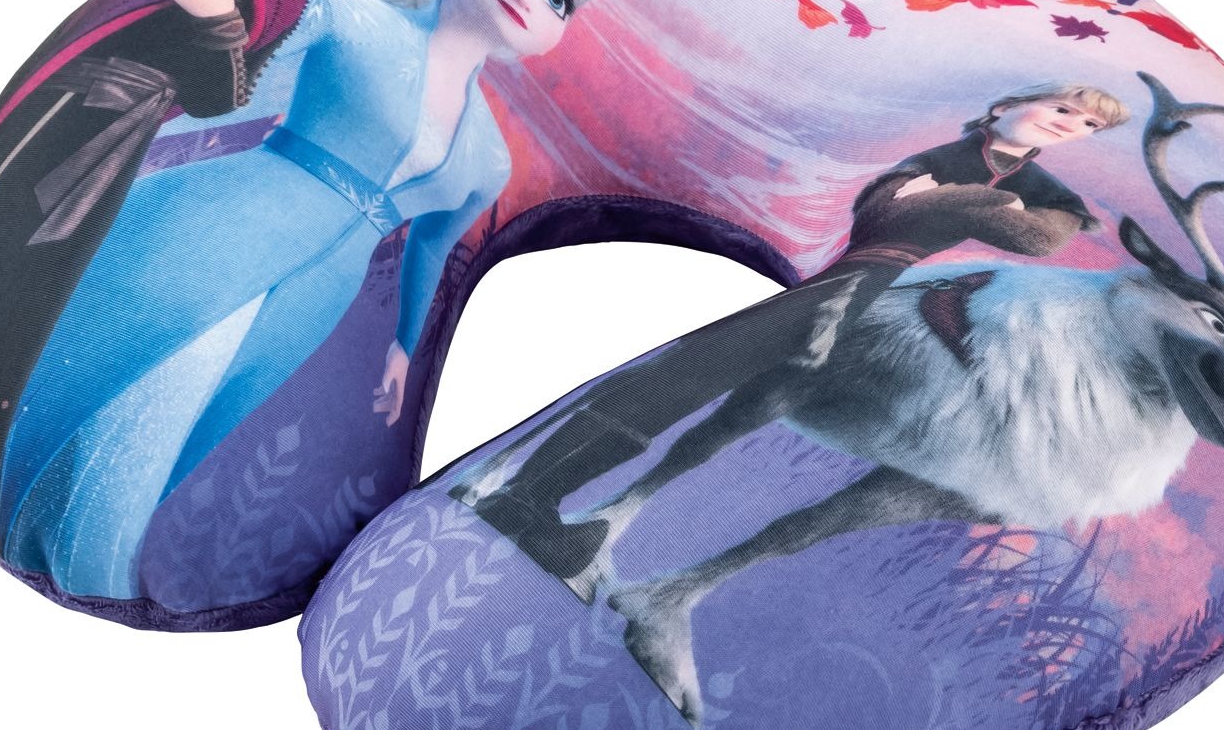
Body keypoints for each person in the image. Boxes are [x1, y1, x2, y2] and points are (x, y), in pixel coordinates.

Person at [0, 0, 608, 598]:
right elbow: (236, 72)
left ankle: (89, 553)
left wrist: (405, 346)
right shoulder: (355, 21)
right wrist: (218, 23)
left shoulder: (486, 155)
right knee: (142, 401)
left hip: (319, 290)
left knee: (200, 419)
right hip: (228, 222)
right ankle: (84, 559)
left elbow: (431, 248)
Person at [455, 83, 1128, 582]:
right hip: (848, 275)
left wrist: (959, 199)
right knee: (682, 379)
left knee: (691, 384)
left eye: (1088, 125)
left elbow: (1038, 237)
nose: (1070, 124)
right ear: (1009, 102)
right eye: (1064, 107)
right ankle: (527, 492)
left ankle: (532, 493)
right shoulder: (954, 152)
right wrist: (986, 203)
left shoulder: (1036, 183)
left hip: (864, 286)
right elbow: (884, 209)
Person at [0, 0, 399, 545]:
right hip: (53, 128)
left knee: (39, 296)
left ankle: (1, 459)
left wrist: (219, 23)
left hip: (111, 146)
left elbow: (219, 97)